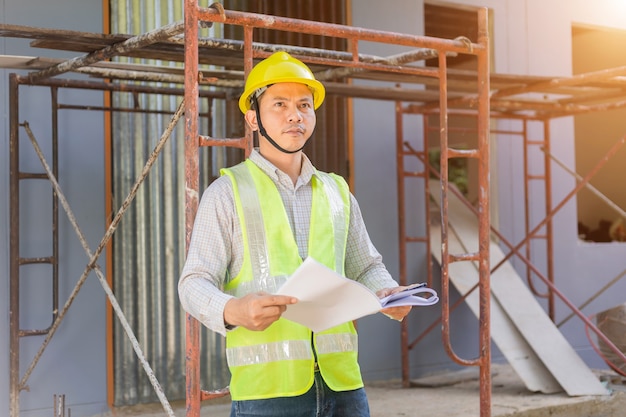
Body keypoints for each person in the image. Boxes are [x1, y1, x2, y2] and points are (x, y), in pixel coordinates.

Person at [178, 51, 413, 417]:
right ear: (253, 118)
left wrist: (387, 293)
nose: (294, 115)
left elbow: (366, 266)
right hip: (268, 395)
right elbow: (193, 282)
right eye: (280, 104)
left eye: (305, 105)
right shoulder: (227, 193)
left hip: (344, 388)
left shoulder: (338, 192)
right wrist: (233, 310)